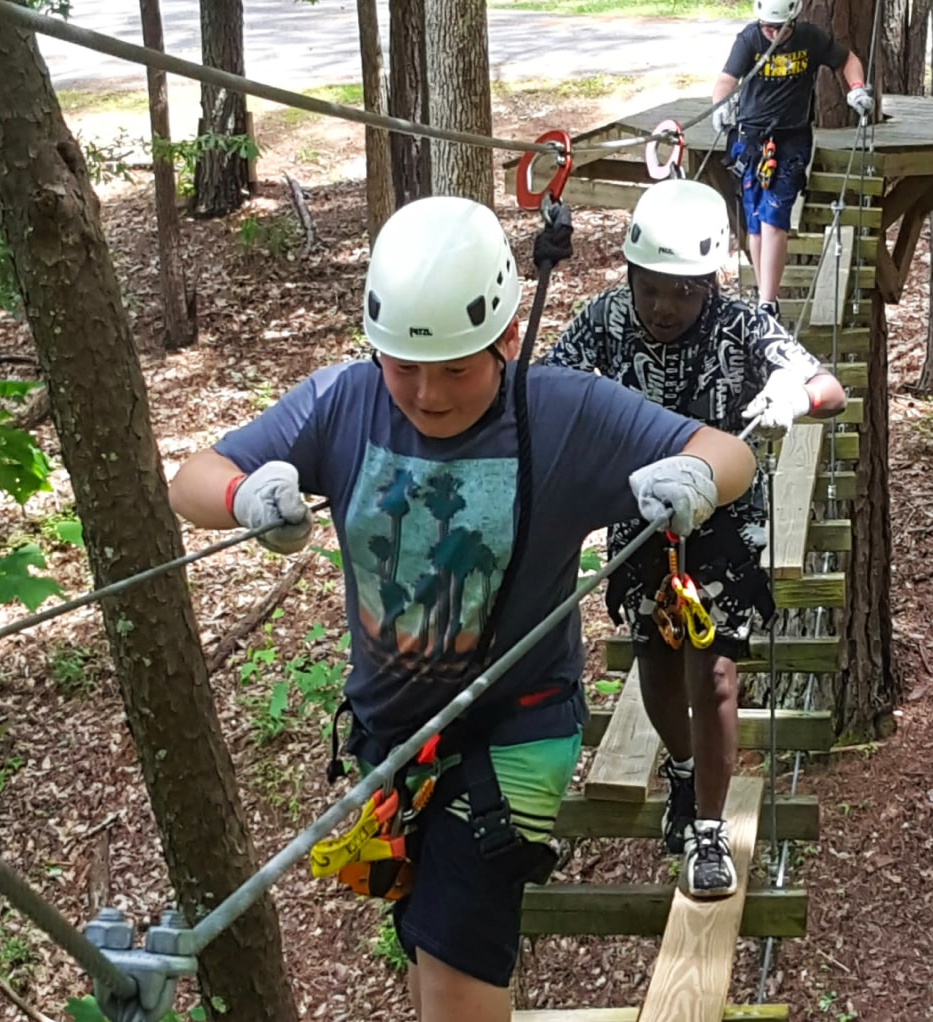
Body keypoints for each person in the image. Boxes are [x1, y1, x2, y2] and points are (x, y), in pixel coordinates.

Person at [167, 195, 757, 1022]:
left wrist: (695, 476)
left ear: (507, 341)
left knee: (451, 976)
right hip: (391, 734)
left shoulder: (556, 412)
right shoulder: (346, 401)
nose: (425, 393)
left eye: (454, 368)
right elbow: (192, 479)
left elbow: (726, 451)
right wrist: (243, 495)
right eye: (403, 366)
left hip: (513, 731)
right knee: (426, 943)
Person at [543, 178, 846, 899]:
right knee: (653, 651)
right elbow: (541, 382)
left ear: (711, 282)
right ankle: (680, 770)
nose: (664, 307)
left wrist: (792, 395)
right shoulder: (607, 321)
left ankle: (710, 830)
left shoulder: (741, 327)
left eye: (683, 291)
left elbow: (828, 388)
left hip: (726, 520)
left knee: (712, 672)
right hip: (639, 510)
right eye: (651, 288)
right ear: (630, 277)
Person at [710, 0, 872, 316]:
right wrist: (720, 105)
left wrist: (855, 88)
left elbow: (847, 59)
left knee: (774, 215)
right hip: (751, 139)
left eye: (776, 27)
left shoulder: (809, 38)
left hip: (791, 140)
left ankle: (768, 304)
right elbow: (726, 79)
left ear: (792, 20)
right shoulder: (750, 39)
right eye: (766, 26)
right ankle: (764, 295)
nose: (770, 32)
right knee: (755, 223)